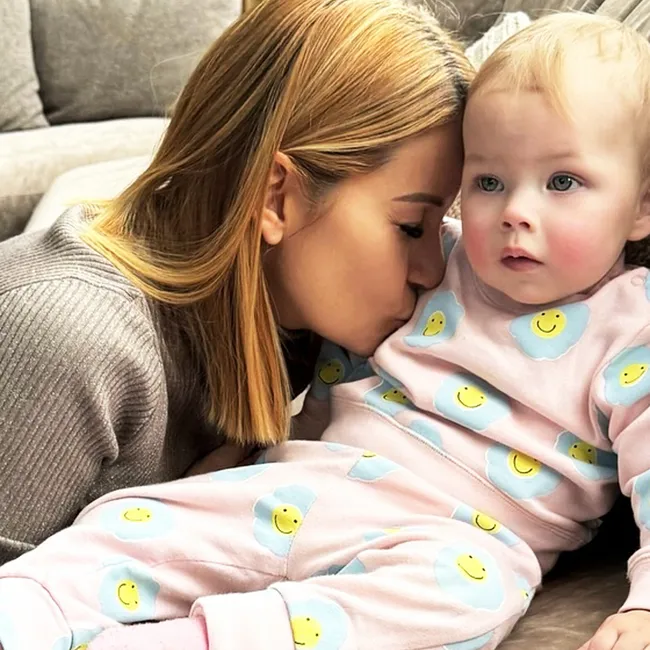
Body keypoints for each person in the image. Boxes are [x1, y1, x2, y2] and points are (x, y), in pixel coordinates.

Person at [12, 9, 649, 650]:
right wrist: (242, 469)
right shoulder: (67, 335)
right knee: (125, 530)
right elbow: (328, 397)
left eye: (562, 182)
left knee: (475, 591)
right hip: (303, 486)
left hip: (447, 541)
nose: (513, 213)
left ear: (643, 204)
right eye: (487, 183)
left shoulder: (630, 325)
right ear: (276, 198)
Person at [0, 0, 471, 564]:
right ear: (275, 196)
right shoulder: (64, 342)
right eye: (411, 226)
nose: (433, 270)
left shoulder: (307, 327)